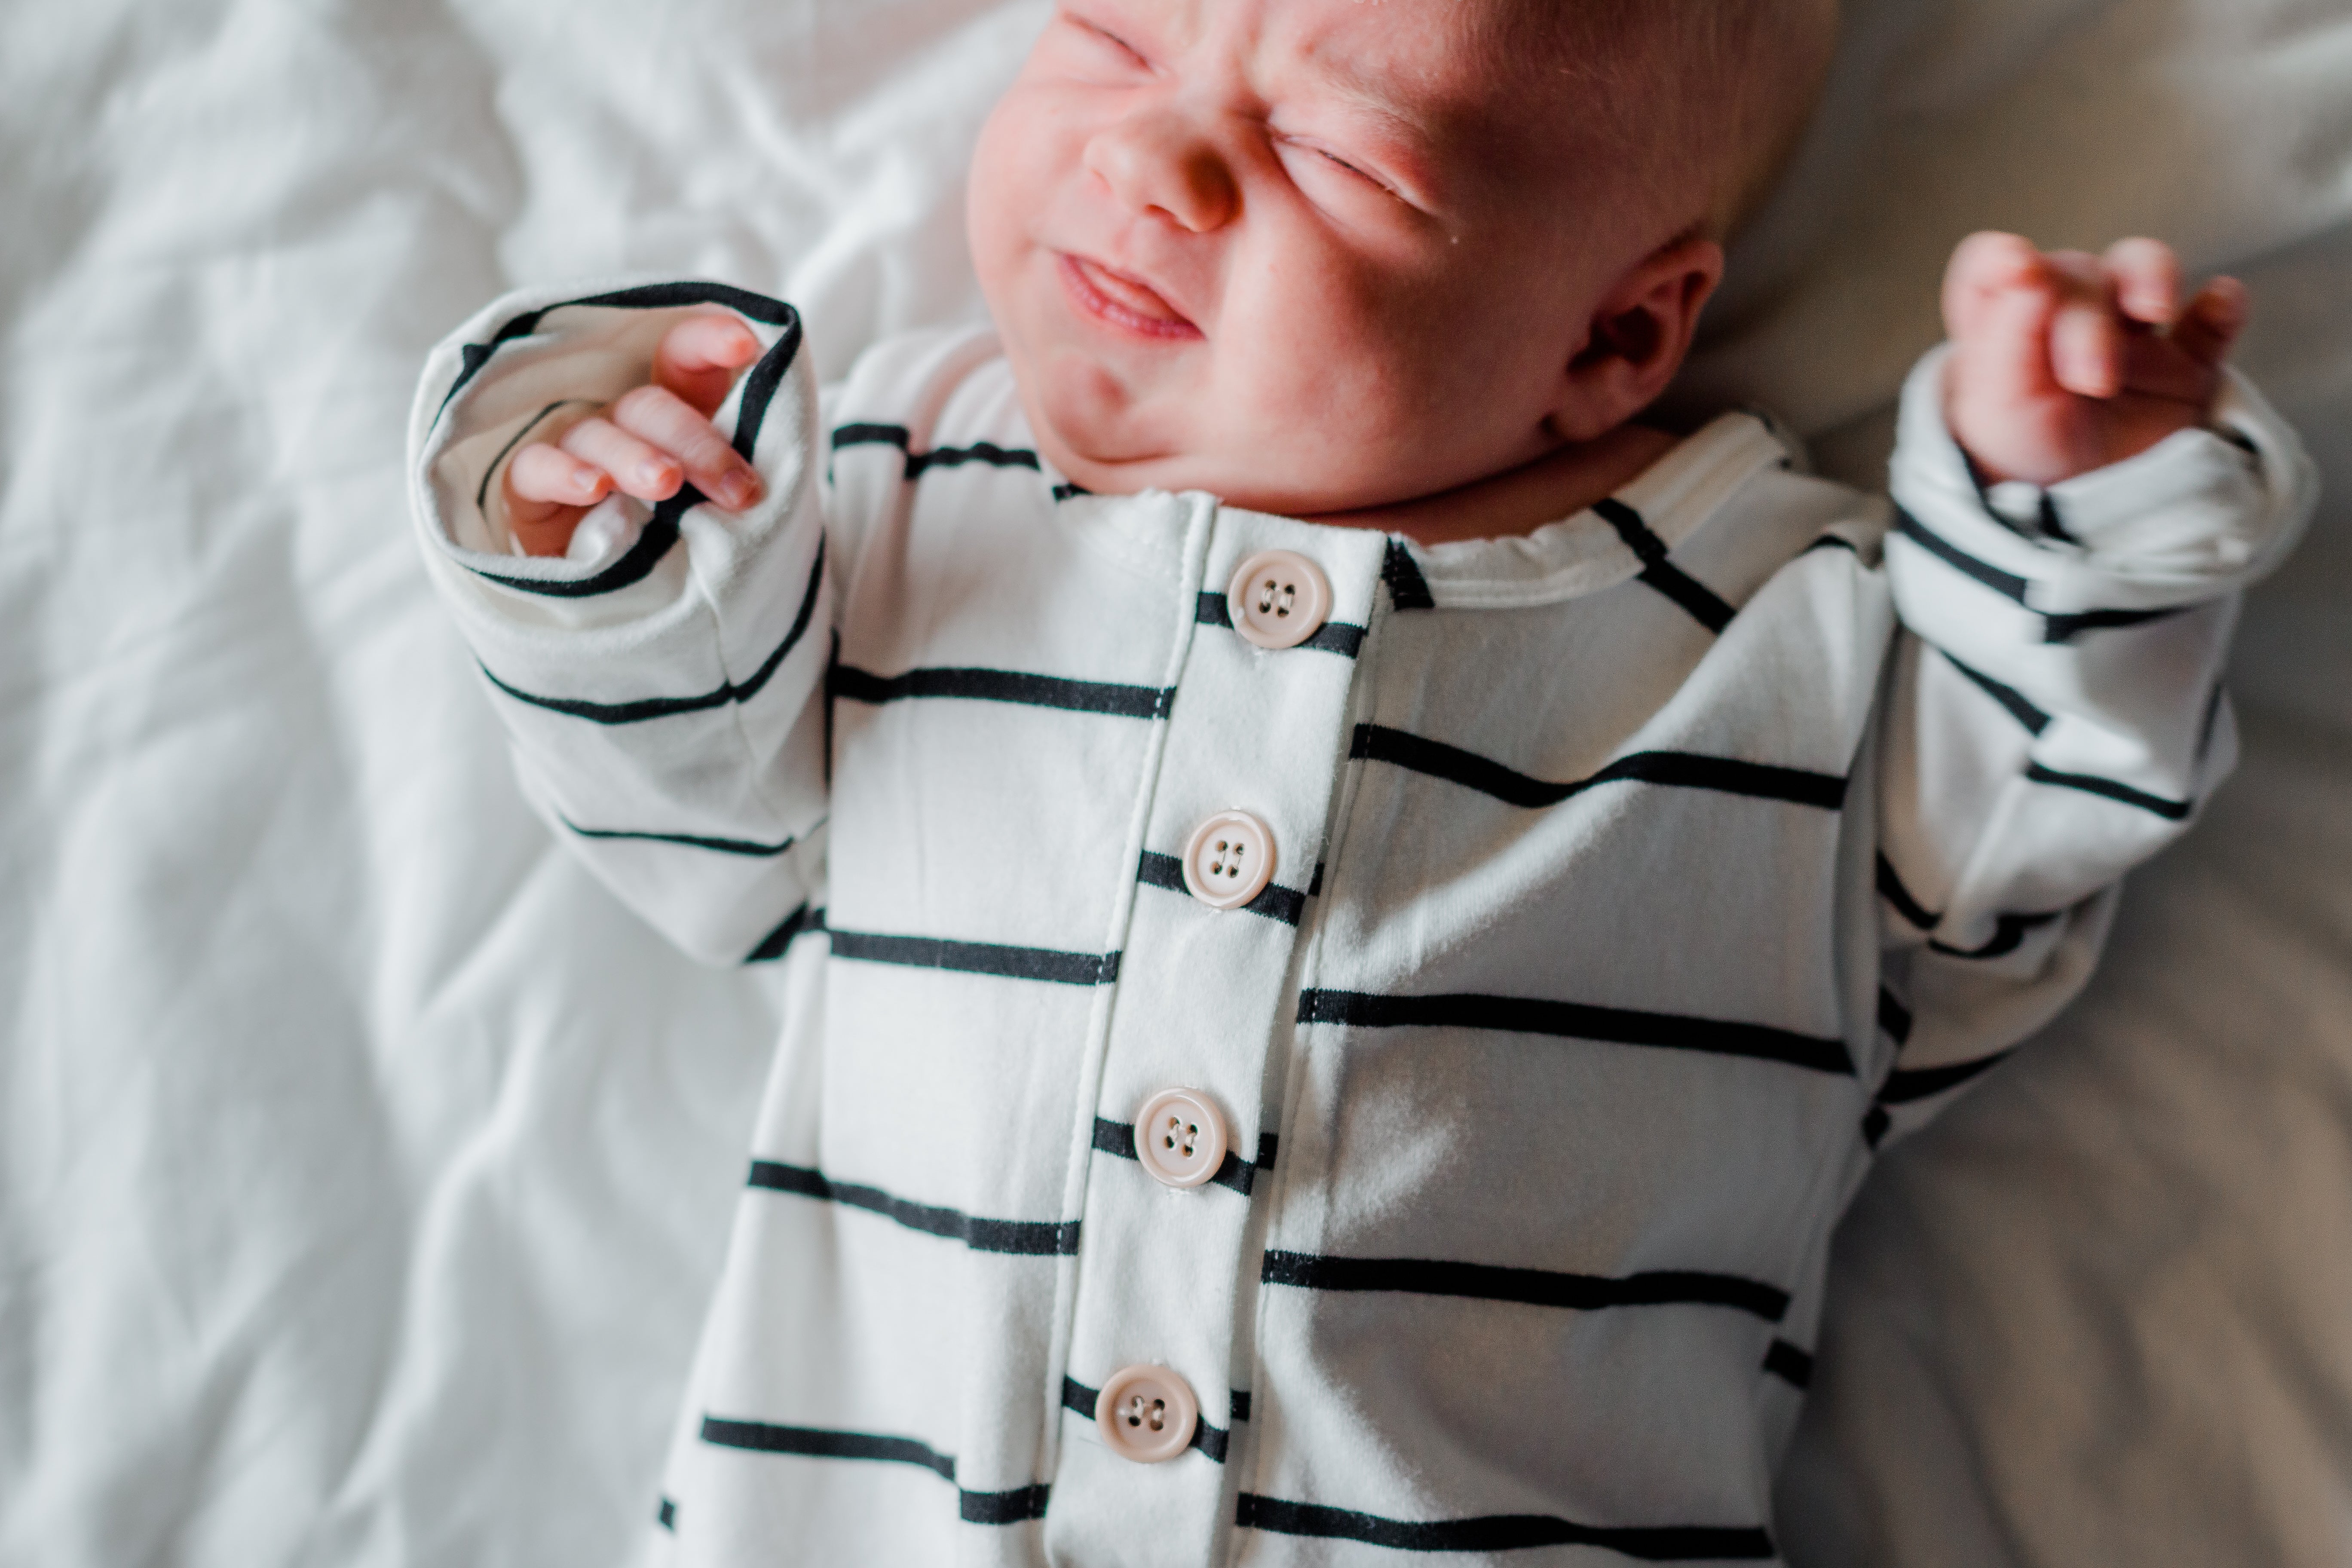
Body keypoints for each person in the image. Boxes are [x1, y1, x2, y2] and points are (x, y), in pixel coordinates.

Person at [404, 0, 2316, 1560]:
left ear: (1616, 332)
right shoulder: (911, 487)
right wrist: (603, 528)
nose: (1154, 160)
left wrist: (2072, 503)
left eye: (1338, 153)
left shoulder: (1781, 630)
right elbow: (702, 829)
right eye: (1114, 35)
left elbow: (2028, 832)